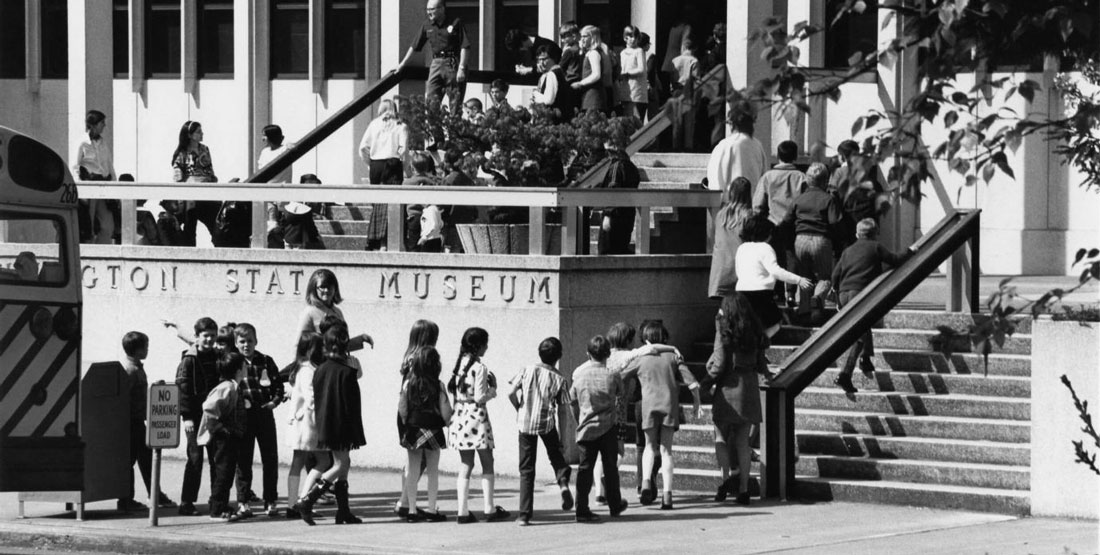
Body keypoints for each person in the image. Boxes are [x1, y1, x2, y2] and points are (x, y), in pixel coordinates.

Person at [620, 321, 700, 510]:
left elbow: (621, 375)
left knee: (649, 446)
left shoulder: (641, 358)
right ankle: (668, 495)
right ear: (663, 337)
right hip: (669, 406)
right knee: (666, 450)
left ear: (645, 338)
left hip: (648, 406)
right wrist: (696, 402)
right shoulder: (674, 356)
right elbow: (692, 383)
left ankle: (646, 481)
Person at [831, 219, 915, 393]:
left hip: (844, 293)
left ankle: (866, 359)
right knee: (859, 336)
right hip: (860, 293)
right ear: (876, 233)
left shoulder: (847, 251)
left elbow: (835, 274)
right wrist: (910, 251)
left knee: (863, 325)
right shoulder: (876, 247)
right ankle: (845, 374)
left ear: (857, 234)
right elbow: (895, 259)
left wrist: (837, 293)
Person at [297, 322, 366, 525]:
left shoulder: (321, 368)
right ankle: (308, 500)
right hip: (341, 423)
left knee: (344, 464)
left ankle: (343, 511)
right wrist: (353, 371)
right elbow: (350, 397)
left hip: (326, 422)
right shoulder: (345, 369)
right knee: (340, 464)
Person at [704, 293, 767, 505]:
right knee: (742, 442)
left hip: (727, 388)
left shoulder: (723, 330)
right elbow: (761, 364)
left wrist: (704, 383)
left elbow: (719, 363)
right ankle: (743, 489)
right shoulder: (755, 330)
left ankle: (725, 481)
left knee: (720, 437)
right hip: (748, 387)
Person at [507, 337, 573, 526]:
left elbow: (510, 392)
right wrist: (564, 437)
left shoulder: (527, 369)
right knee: (556, 455)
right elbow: (562, 410)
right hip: (547, 423)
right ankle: (562, 483)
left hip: (525, 423)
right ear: (559, 356)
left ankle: (524, 515)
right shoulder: (560, 379)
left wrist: (519, 407)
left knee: (527, 469)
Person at [448, 327, 510, 524]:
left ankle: (462, 511)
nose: (487, 347)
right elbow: (479, 396)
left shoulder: (459, 365)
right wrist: (494, 389)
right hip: (476, 417)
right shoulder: (480, 368)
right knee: (487, 461)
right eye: (485, 344)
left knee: (466, 463)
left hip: (459, 415)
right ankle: (489, 508)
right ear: (479, 346)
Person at [570, 335, 628, 522]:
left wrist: (578, 418)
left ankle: (581, 508)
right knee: (610, 467)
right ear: (608, 354)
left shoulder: (579, 375)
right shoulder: (613, 375)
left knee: (585, 468)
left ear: (588, 354)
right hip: (608, 426)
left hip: (586, 427)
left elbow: (571, 400)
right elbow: (621, 395)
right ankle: (615, 504)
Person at [119, 331, 177, 512]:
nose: (148, 350)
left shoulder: (134, 368)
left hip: (136, 422)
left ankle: (153, 494)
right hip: (132, 422)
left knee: (145, 460)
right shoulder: (131, 370)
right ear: (138, 350)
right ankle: (127, 499)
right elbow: (125, 397)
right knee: (133, 461)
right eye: (146, 347)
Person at [232, 323, 284, 519]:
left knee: (270, 459)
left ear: (256, 341)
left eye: (250, 341)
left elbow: (278, 385)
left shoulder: (265, 360)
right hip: (243, 416)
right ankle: (243, 501)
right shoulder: (234, 362)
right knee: (243, 460)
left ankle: (270, 500)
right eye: (242, 341)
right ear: (236, 343)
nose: (246, 345)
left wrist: (274, 402)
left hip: (264, 414)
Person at [782, 163, 845, 322]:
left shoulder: (799, 199)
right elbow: (836, 223)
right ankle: (817, 300)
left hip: (800, 240)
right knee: (824, 278)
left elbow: (787, 221)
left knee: (805, 277)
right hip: (821, 240)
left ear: (808, 181)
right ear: (825, 181)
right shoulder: (828, 199)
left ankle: (804, 313)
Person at [399, 346, 453, 523]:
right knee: (433, 471)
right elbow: (446, 411)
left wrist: (407, 422)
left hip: (414, 429)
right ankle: (431, 509)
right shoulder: (439, 385)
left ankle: (412, 510)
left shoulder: (409, 384)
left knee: (412, 471)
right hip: (433, 430)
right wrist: (448, 422)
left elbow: (402, 408)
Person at [735, 214, 812, 337]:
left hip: (741, 292)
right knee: (775, 321)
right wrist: (798, 280)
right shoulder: (766, 248)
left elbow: (739, 270)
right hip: (762, 292)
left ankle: (755, 342)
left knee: (749, 322)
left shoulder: (741, 248)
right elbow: (776, 271)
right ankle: (762, 341)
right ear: (766, 234)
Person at [394, 319, 441, 518]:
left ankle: (406, 502)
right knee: (420, 461)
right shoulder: (423, 359)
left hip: (408, 412)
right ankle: (404, 502)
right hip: (420, 414)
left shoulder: (409, 357)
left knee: (412, 460)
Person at [283, 331, 331, 519]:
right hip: (309, 422)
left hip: (300, 422)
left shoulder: (301, 368)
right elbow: (312, 398)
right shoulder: (308, 370)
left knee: (298, 462)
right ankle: (303, 500)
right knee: (324, 461)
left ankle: (293, 504)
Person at [753, 140, 808, 305]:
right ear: (795, 156)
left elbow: (757, 204)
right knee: (792, 258)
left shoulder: (768, 177)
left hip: (773, 225)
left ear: (778, 156)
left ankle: (777, 294)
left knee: (774, 259)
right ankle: (791, 293)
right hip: (794, 225)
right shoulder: (802, 178)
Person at [176, 317, 220, 516]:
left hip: (213, 416)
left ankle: (216, 499)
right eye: (206, 336)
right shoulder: (189, 359)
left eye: (213, 336)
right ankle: (186, 502)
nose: (210, 340)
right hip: (194, 416)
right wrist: (186, 417)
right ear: (197, 337)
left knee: (216, 459)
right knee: (195, 458)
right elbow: (182, 389)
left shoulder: (217, 356)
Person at [197, 352, 248, 521]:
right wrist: (220, 429)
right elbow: (209, 408)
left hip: (230, 437)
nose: (247, 367)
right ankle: (217, 510)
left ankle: (221, 505)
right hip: (222, 438)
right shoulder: (227, 387)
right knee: (223, 473)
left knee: (226, 472)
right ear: (238, 369)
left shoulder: (233, 386)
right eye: (244, 365)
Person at [397, 0, 470, 113]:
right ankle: (434, 129)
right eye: (427, 10)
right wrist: (402, 64)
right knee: (431, 102)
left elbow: (465, 46)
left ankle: (454, 129)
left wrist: (462, 68)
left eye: (431, 9)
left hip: (452, 63)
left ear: (441, 9)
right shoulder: (427, 25)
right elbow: (415, 46)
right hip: (435, 63)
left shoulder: (455, 22)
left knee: (455, 104)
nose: (428, 12)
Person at [358, 99, 408, 251]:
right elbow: (403, 149)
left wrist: (371, 163)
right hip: (393, 164)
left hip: (376, 165)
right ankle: (386, 242)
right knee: (391, 204)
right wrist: (404, 167)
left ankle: (376, 239)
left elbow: (362, 147)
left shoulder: (374, 124)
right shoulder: (401, 125)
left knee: (378, 203)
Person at [297, 269, 374, 353]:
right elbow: (299, 345)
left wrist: (361, 339)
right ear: (314, 288)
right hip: (319, 365)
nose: (326, 290)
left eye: (329, 286)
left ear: (335, 288)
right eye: (322, 287)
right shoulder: (309, 313)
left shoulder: (338, 312)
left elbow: (340, 345)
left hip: (338, 363)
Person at [171, 120, 220, 246]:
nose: (202, 134)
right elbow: (177, 176)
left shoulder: (205, 149)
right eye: (198, 132)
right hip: (191, 193)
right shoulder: (182, 153)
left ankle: (219, 245)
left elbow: (210, 169)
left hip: (208, 190)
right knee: (190, 223)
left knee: (215, 222)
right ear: (189, 135)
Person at [72, 109, 116, 244]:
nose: (104, 125)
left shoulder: (103, 143)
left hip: (103, 187)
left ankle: (103, 250)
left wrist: (115, 187)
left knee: (107, 225)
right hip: (89, 188)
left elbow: (109, 166)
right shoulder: (82, 143)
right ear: (94, 124)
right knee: (88, 225)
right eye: (102, 122)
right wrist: (81, 191)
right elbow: (75, 167)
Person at [709, 176, 755, 299]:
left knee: (725, 313)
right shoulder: (749, 216)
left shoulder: (721, 215)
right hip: (741, 273)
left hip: (720, 273)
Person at [597, 131, 640, 255]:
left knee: (606, 252)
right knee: (621, 250)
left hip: (615, 217)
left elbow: (613, 191)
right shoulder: (631, 167)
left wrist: (608, 215)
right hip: (627, 216)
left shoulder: (617, 166)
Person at [705, 108, 768, 193]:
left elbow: (715, 175)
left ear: (732, 124)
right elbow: (763, 174)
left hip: (730, 200)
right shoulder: (757, 145)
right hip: (752, 199)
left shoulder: (726, 144)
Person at [403, 152, 440, 252]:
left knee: (413, 243)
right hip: (428, 217)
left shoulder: (407, 183)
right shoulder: (432, 182)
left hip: (413, 216)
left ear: (412, 168)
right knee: (428, 243)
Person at [532, 45, 572, 122]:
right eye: (539, 60)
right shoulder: (557, 72)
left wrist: (536, 94)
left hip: (554, 121)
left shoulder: (552, 74)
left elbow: (548, 100)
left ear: (553, 58)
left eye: (544, 59)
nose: (541, 63)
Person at [571, 25, 605, 113]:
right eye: (581, 36)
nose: (582, 39)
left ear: (593, 37)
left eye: (585, 36)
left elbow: (596, 74)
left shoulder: (594, 53)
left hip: (593, 96)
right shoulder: (588, 53)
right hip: (587, 94)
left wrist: (580, 83)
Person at [619, 25, 649, 121]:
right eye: (631, 36)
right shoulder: (622, 53)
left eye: (636, 37)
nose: (633, 39)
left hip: (637, 93)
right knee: (626, 121)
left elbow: (641, 69)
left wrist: (627, 73)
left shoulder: (639, 51)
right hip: (626, 92)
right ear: (625, 38)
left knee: (636, 121)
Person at [558, 21, 583, 89]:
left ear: (574, 36)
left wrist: (563, 53)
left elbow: (560, 67)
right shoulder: (581, 49)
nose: (562, 40)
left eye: (564, 37)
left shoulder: (569, 51)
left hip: (570, 82)